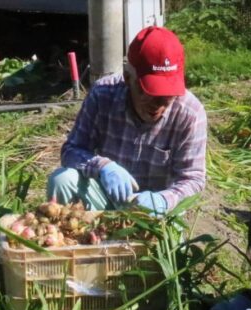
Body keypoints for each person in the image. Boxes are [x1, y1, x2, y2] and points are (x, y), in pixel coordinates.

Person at [46, 26, 206, 216]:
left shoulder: (190, 113)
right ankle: (72, 240)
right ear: (128, 77)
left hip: (155, 210)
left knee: (171, 224)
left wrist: (164, 200)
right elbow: (71, 151)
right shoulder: (103, 95)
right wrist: (103, 166)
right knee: (62, 180)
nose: (159, 103)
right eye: (150, 92)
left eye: (168, 94)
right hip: (105, 199)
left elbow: (193, 179)